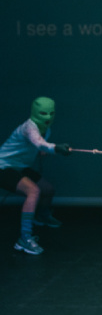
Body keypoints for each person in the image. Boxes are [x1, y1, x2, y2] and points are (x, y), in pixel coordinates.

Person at [0, 96, 71, 255]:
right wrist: (56, 148)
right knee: (33, 191)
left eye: (51, 113)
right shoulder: (29, 127)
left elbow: (38, 146)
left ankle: (42, 217)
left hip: (20, 167)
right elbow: (39, 143)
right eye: (43, 113)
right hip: (3, 166)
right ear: (35, 112)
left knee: (48, 190)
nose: (48, 117)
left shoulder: (46, 130)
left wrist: (46, 150)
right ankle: (24, 239)